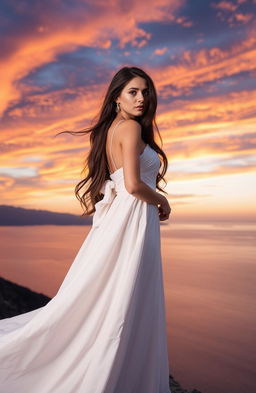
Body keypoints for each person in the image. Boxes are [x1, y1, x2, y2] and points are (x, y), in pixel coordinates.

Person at [0, 66, 172, 393]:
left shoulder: (112, 129)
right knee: (124, 294)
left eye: (146, 92)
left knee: (114, 293)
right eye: (133, 92)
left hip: (124, 218)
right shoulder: (131, 129)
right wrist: (163, 201)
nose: (141, 98)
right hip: (132, 217)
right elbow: (134, 185)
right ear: (116, 97)